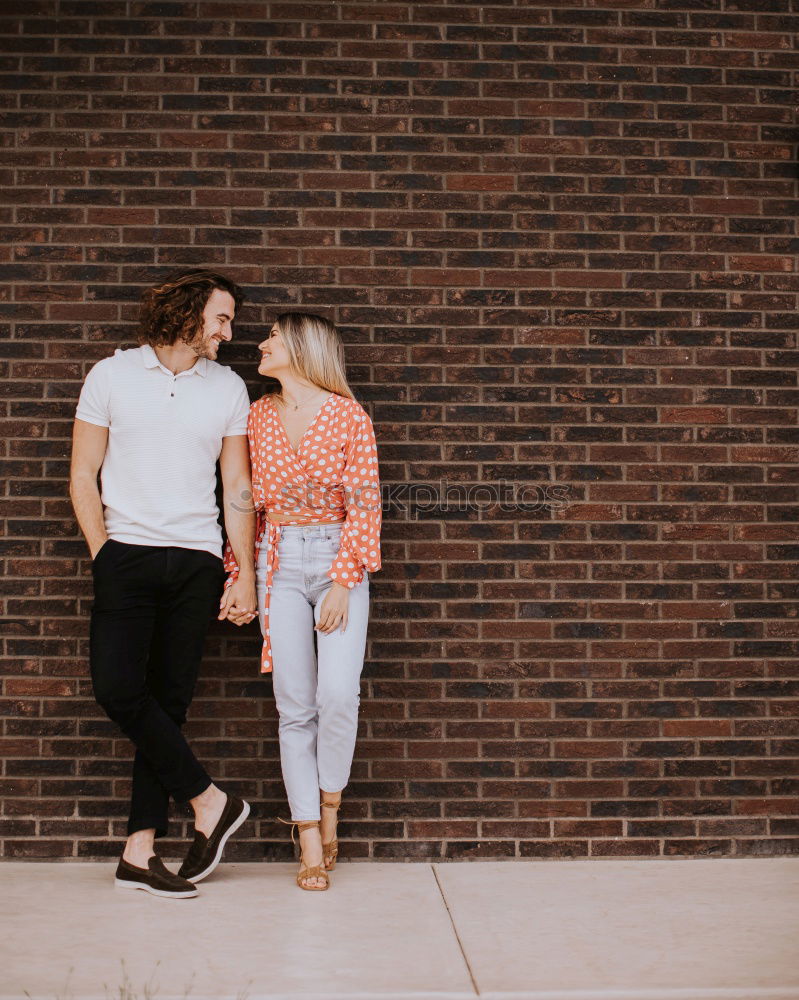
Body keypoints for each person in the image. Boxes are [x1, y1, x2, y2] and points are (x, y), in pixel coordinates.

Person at [69, 269, 257, 899]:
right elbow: (83, 473)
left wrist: (245, 572)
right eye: (222, 318)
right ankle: (208, 800)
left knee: (167, 709)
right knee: (118, 689)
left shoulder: (227, 387)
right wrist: (104, 552)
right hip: (127, 555)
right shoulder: (112, 375)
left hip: (197, 561)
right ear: (187, 312)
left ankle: (138, 851)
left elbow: (236, 488)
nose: (228, 333)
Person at [223, 312, 381, 891]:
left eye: (271, 337)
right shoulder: (258, 414)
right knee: (294, 706)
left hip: (339, 557)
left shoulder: (348, 415)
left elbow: (365, 505)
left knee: (338, 694)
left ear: (303, 348)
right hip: (279, 560)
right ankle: (309, 835)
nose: (261, 345)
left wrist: (342, 581)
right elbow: (244, 500)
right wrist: (240, 573)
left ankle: (331, 801)